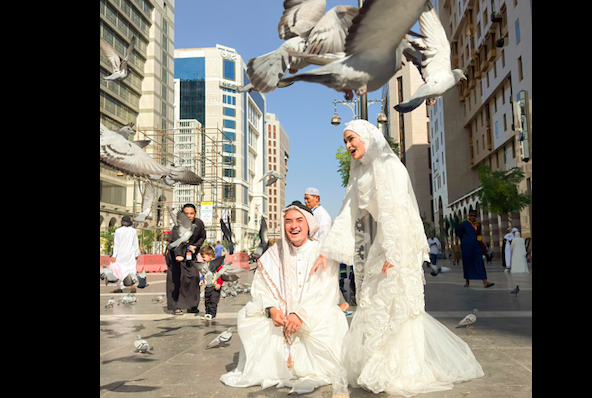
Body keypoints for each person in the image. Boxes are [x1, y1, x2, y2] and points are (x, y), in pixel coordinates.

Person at [311, 120, 483, 396]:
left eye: (351, 139)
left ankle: (403, 369)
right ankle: (377, 363)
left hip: (401, 238)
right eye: (345, 141)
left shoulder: (390, 166)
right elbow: (347, 212)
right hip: (385, 240)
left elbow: (396, 210)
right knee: (376, 300)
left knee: (400, 302)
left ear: (367, 137)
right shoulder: (358, 172)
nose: (348, 146)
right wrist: (326, 252)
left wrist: (394, 251)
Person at [220, 201, 349, 394]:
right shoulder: (273, 254)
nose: (294, 225)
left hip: (314, 316)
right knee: (249, 317)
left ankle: (311, 372)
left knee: (332, 322)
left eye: (299, 220)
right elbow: (261, 289)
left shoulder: (322, 252)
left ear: (309, 225)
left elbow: (325, 291)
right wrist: (272, 310)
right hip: (281, 319)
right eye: (288, 221)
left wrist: (300, 315)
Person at [165, 204, 206, 315]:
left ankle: (192, 305)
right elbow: (175, 240)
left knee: (194, 277)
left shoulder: (199, 224)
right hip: (176, 256)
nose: (189, 216)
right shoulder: (177, 226)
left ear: (195, 214)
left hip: (190, 256)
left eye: (191, 213)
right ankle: (176, 306)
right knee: (176, 280)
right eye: (186, 213)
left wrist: (196, 246)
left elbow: (202, 236)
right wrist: (179, 254)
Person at [456, 210, 495, 288]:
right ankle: (467, 281)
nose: (473, 217)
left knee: (480, 262)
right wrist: (466, 241)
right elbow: (459, 234)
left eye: (474, 216)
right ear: (468, 216)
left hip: (476, 246)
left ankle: (485, 282)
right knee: (467, 263)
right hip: (467, 247)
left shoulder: (478, 224)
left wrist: (481, 243)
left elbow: (479, 234)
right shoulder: (463, 224)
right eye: (471, 216)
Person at [110, 216, 140, 293]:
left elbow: (116, 244)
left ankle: (120, 288)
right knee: (131, 269)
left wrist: (114, 255)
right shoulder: (133, 231)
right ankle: (132, 286)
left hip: (120, 254)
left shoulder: (118, 231)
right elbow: (135, 243)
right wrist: (136, 254)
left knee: (119, 271)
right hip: (130, 254)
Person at [199, 245, 224, 319]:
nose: (203, 259)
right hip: (208, 286)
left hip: (215, 286)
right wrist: (201, 279)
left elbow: (221, 274)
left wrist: (219, 283)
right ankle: (207, 313)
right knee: (207, 300)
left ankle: (212, 314)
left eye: (204, 257)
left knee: (213, 301)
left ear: (210, 256)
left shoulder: (216, 264)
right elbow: (204, 273)